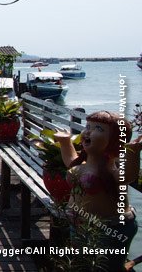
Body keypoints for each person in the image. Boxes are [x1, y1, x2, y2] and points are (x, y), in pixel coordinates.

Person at [54, 111, 139, 271]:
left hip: (110, 228)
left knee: (106, 267)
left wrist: (133, 153)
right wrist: (66, 142)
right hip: (80, 224)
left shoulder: (111, 170)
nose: (87, 131)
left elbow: (128, 176)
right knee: (82, 264)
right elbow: (70, 161)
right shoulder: (82, 165)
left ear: (114, 141)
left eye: (98, 128)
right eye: (88, 126)